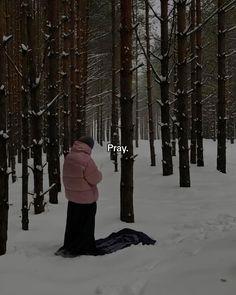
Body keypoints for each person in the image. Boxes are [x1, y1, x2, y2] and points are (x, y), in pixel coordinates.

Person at [55, 136, 102, 257]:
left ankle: (71, 245)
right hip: (86, 199)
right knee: (86, 225)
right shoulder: (86, 160)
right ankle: (85, 247)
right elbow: (95, 178)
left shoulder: (69, 157)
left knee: (72, 224)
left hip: (72, 198)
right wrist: (100, 174)